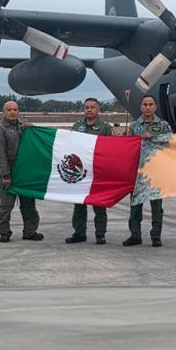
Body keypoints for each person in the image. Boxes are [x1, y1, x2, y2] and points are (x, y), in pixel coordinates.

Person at [123, 94, 171, 248]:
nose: (148, 107)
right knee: (135, 205)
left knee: (156, 207)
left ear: (155, 107)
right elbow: (127, 147)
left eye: (150, 105)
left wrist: (152, 137)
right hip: (137, 172)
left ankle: (156, 237)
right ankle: (135, 235)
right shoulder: (134, 126)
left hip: (155, 172)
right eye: (145, 105)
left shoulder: (163, 125)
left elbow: (171, 143)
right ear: (141, 107)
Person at [0, 100, 42, 243]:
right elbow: (0, 154)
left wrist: (33, 128)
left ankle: (30, 231)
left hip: (25, 173)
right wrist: (6, 175)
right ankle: (4, 232)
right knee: (6, 205)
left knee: (29, 204)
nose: (13, 112)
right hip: (10, 172)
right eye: (9, 110)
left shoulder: (24, 126)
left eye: (15, 109)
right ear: (4, 112)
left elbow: (33, 141)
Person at [65, 98, 114, 245]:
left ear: (98, 109)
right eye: (87, 107)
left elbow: (112, 149)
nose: (89, 110)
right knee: (79, 204)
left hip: (98, 172)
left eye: (92, 107)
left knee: (99, 205)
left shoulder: (106, 128)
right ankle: (79, 233)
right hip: (81, 172)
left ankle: (100, 234)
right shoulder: (77, 127)